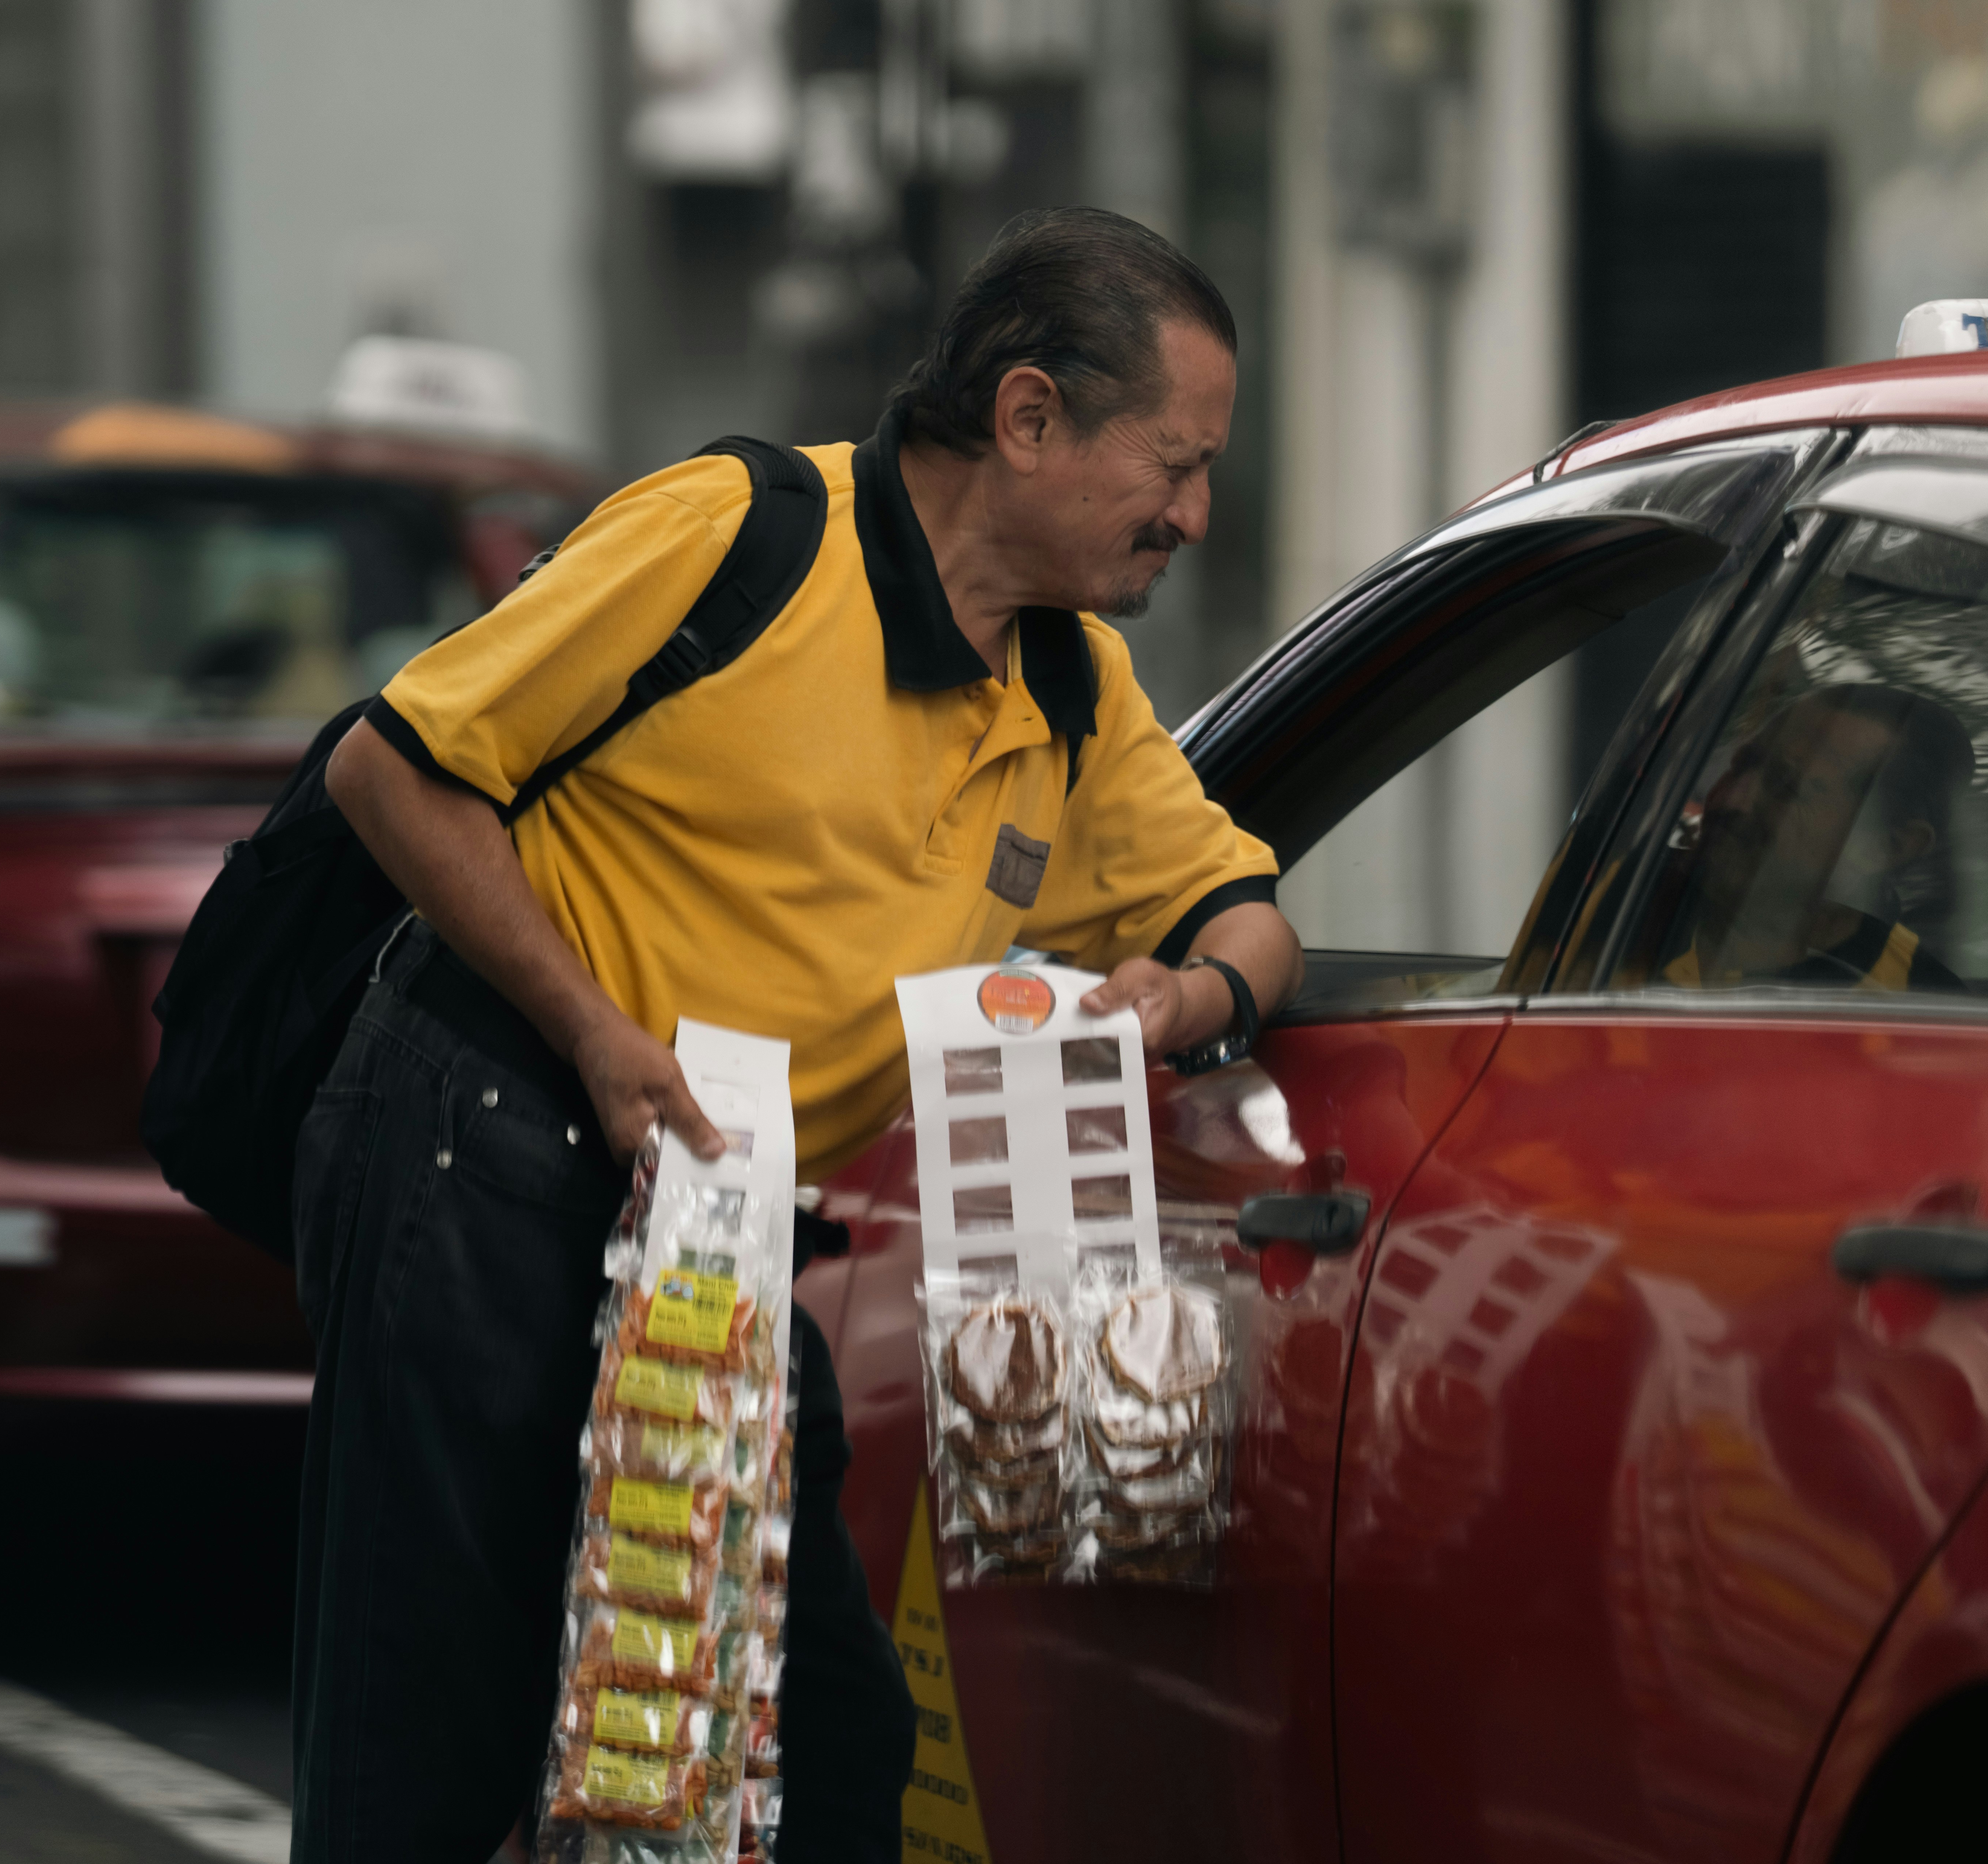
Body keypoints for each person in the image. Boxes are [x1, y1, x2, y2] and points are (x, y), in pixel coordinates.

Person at [293, 206, 1304, 1860]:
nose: (1194, 514)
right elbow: (390, 765)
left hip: (712, 1230)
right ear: (1030, 416)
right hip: (484, 1142)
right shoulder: (741, 537)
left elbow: (1242, 909)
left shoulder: (1073, 690)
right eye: (1173, 464)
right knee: (435, 1736)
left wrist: (1185, 998)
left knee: (809, 1737)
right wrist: (597, 1028)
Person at [1659, 681, 1975, 992]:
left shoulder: (1921, 1018)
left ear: (1887, 848)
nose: (1731, 799)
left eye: (1787, 787)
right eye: (1743, 765)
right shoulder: (1623, 888)